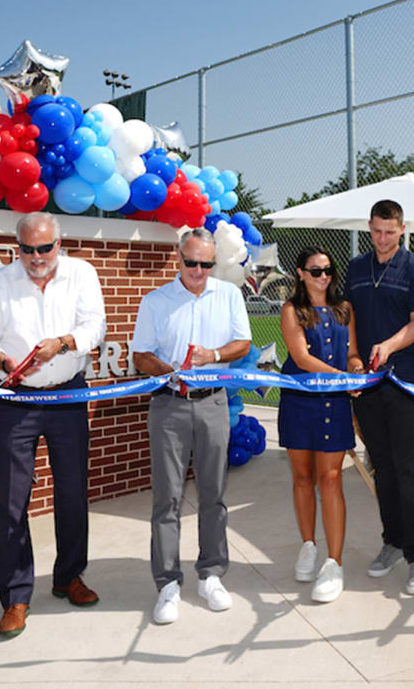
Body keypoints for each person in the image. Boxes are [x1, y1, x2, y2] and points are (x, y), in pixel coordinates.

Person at [0, 212, 107, 638]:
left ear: (59, 244)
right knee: (12, 500)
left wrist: (63, 343)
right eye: (27, 249)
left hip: (68, 394)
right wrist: (3, 362)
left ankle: (68, 576)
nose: (36, 258)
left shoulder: (82, 274)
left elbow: (94, 327)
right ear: (18, 247)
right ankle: (15, 596)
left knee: (72, 493)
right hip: (15, 401)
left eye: (44, 248)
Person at [132, 228, 251, 625]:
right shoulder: (156, 301)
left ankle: (211, 573)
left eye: (206, 264)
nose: (198, 271)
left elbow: (243, 344)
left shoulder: (229, 295)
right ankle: (167, 583)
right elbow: (141, 356)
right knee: (166, 497)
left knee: (214, 494)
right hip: (169, 405)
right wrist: (171, 372)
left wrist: (211, 355)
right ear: (177, 258)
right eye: (191, 262)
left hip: (214, 402)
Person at [345, 200, 414, 596]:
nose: (383, 238)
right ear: (369, 227)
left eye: (390, 231)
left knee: (408, 469)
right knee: (381, 466)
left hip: (405, 381)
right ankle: (393, 542)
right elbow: (348, 316)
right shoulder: (355, 267)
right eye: (377, 230)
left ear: (402, 229)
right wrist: (352, 355)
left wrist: (388, 345)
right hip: (366, 385)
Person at [278, 246, 364, 603]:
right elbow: (301, 357)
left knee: (330, 479)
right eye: (315, 271)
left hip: (335, 403)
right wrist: (343, 377)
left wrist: (357, 369)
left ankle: (334, 561)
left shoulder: (345, 309)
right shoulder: (291, 310)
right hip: (300, 401)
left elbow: (352, 353)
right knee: (302, 477)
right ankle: (309, 546)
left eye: (328, 270)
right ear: (300, 273)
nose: (323, 277)